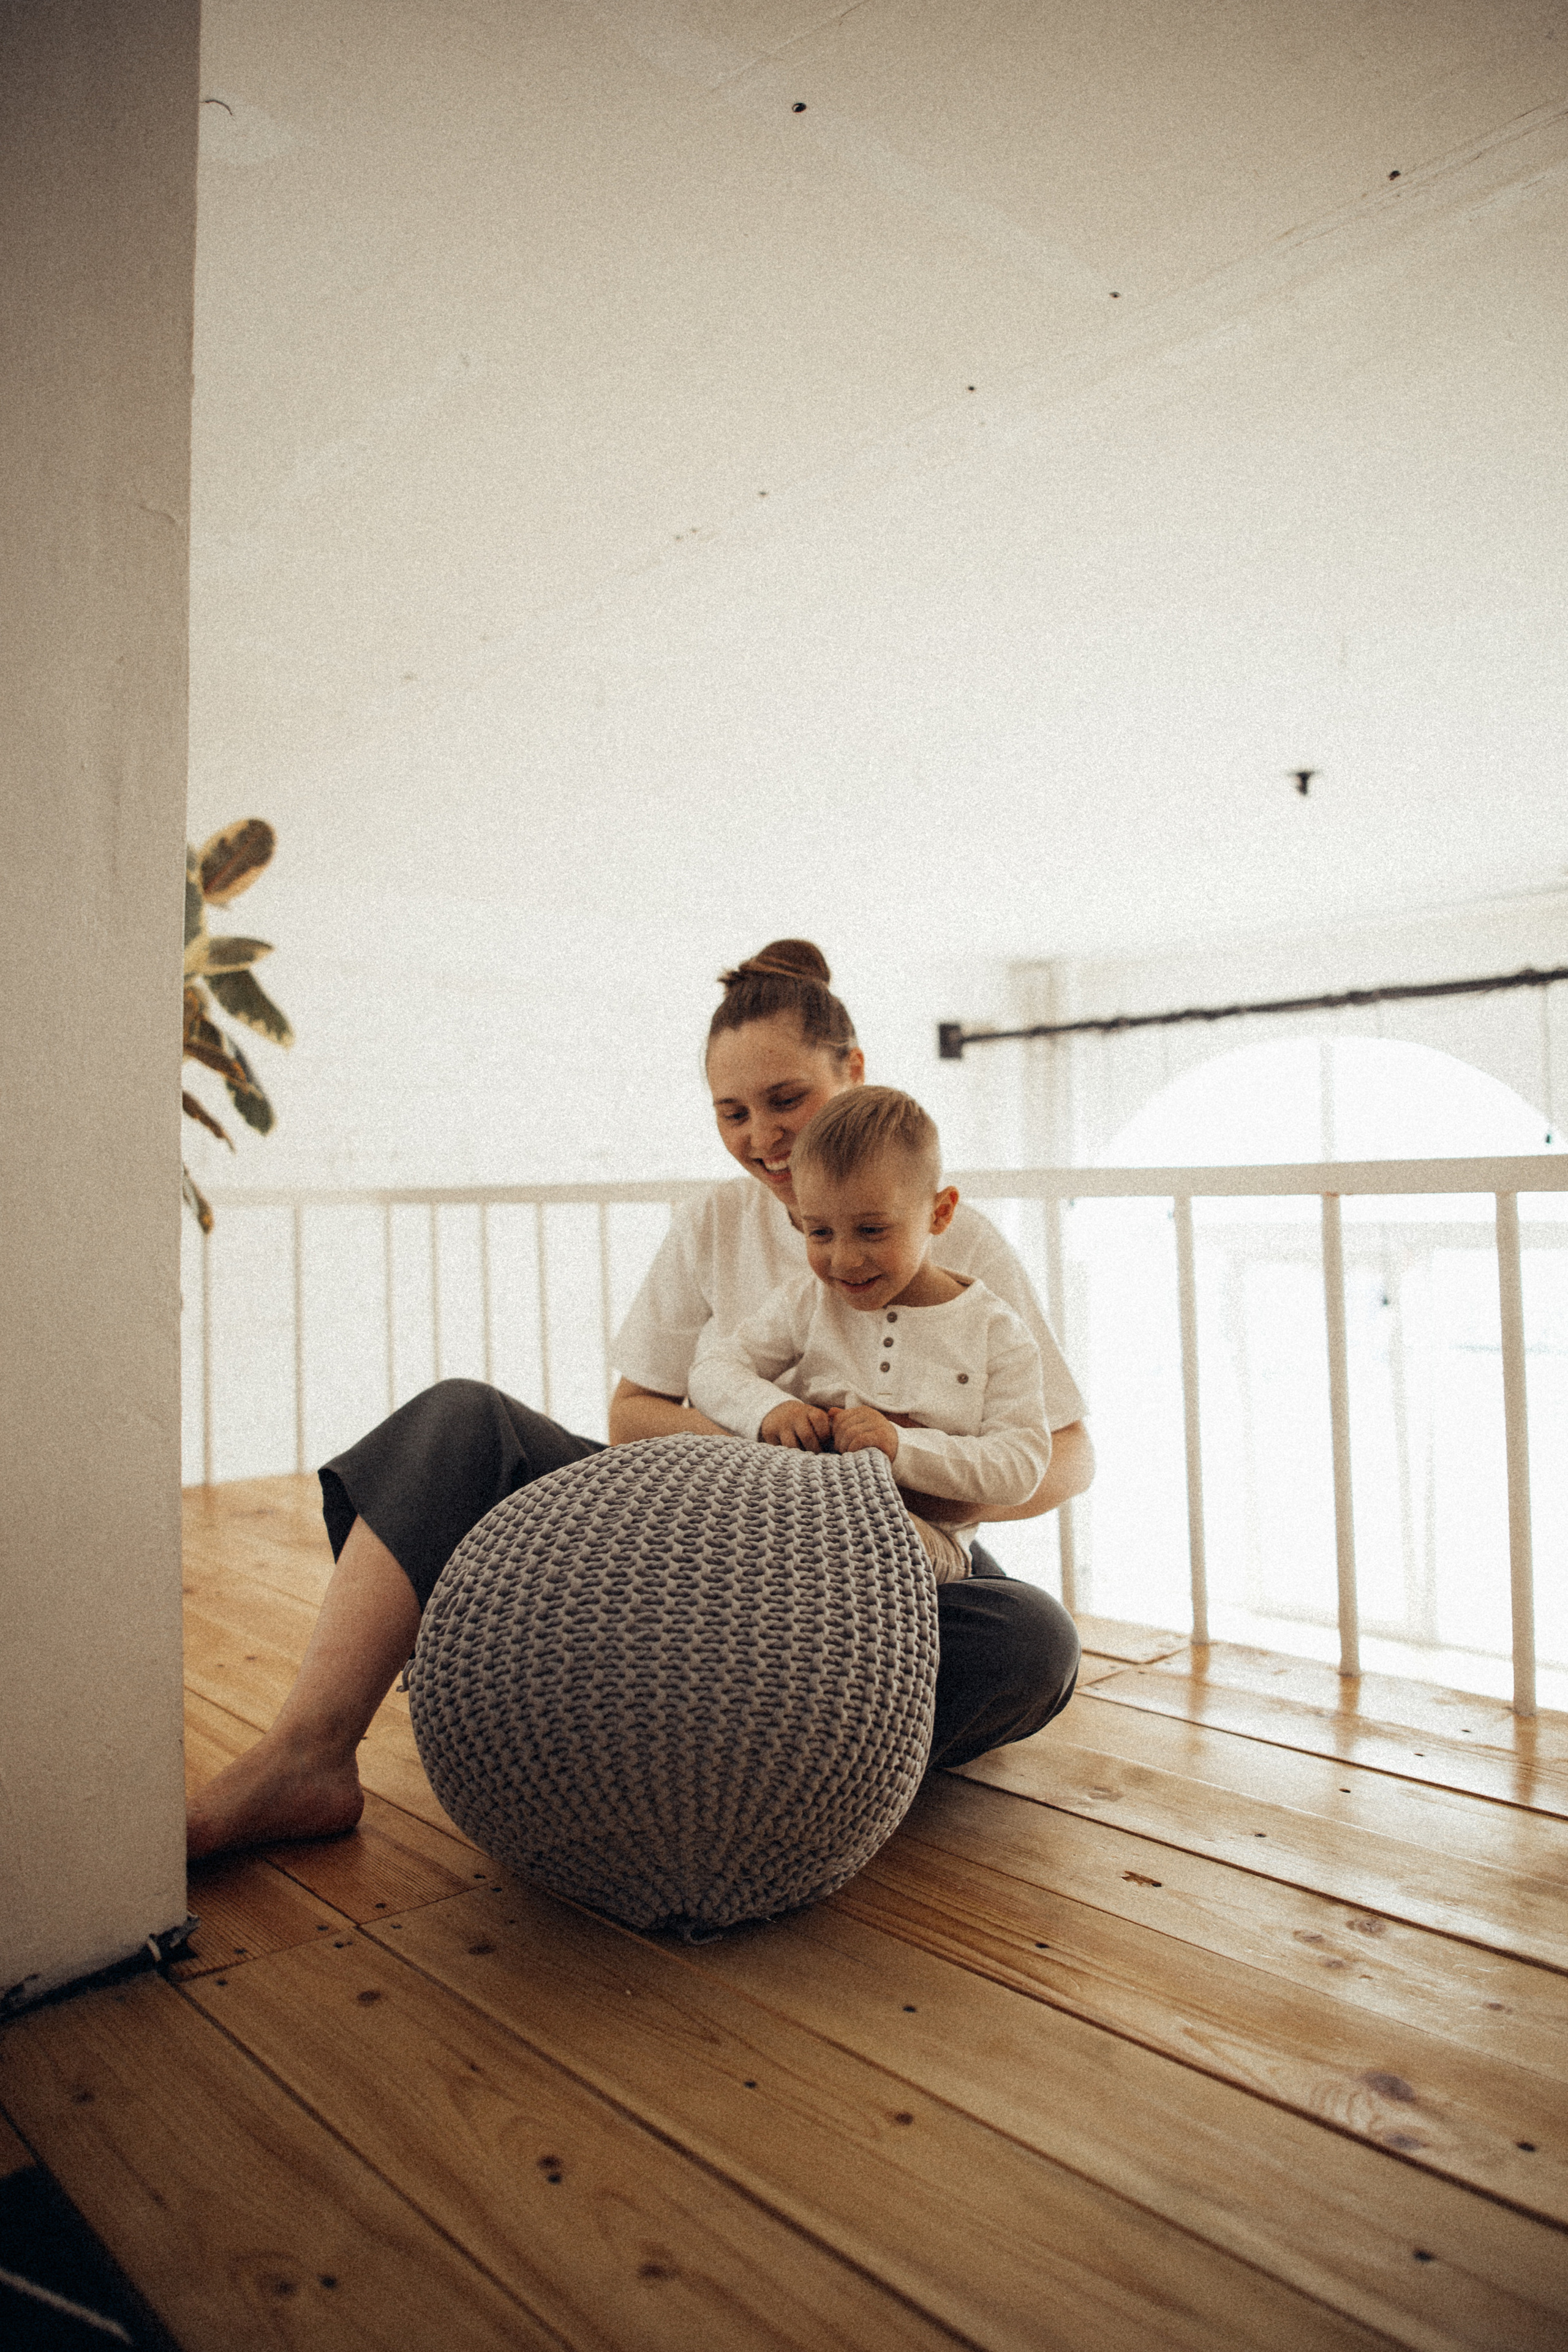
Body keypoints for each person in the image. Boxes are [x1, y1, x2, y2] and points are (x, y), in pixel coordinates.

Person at [186, 941, 1094, 1861]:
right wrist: (775, 1455)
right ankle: (306, 1756)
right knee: (460, 1421)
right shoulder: (714, 1223)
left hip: (874, 1565)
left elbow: (1067, 1453)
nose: (760, 1137)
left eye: (786, 1100)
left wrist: (893, 1480)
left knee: (1034, 1642)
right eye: (731, 1113)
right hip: (692, 1531)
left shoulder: (959, 1243)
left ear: (852, 1071)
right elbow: (633, 1416)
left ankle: (750, 1778)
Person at [689, 1085, 1052, 1583]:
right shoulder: (808, 1302)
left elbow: (1021, 1466)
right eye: (820, 1233)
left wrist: (901, 1447)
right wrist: (770, 1409)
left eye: (872, 1231)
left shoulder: (997, 1332)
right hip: (801, 1503)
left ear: (940, 1213)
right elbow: (711, 1371)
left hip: (925, 1538)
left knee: (857, 1537)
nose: (843, 1260)